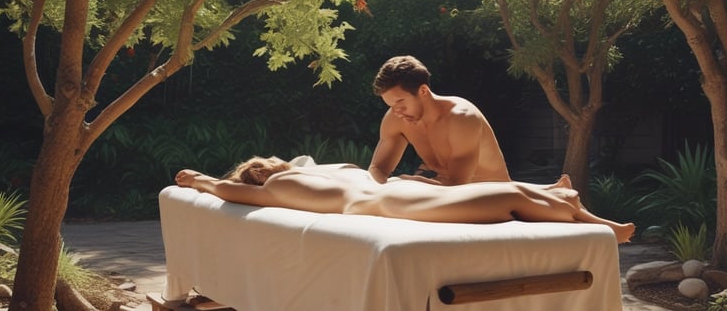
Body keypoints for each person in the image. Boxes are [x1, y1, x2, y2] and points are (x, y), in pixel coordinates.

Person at [174, 156, 635, 243]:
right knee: (509, 195)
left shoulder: (309, 170)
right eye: (266, 160)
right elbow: (225, 189)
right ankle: (598, 225)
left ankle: (571, 205)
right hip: (386, 207)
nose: (276, 157)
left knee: (499, 191)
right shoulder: (272, 189)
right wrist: (199, 179)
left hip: (395, 192)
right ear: (260, 174)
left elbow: (304, 156)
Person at [368, 55, 512, 185]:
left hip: (489, 194)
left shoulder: (462, 118)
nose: (397, 112)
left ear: (423, 91)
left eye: (400, 102)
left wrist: (410, 182)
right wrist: (380, 188)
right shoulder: (396, 119)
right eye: (391, 105)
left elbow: (457, 184)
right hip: (442, 193)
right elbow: (377, 169)